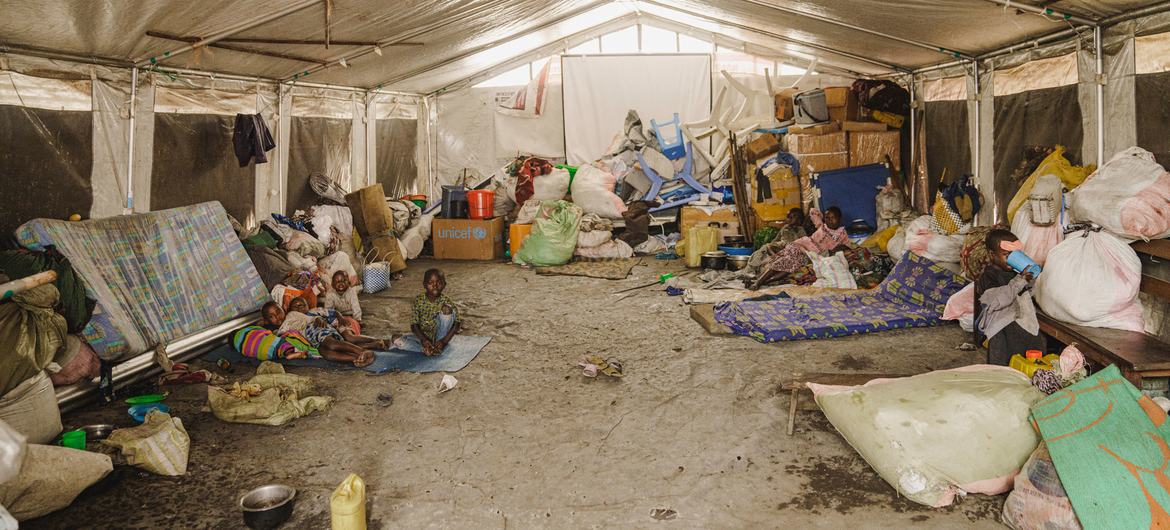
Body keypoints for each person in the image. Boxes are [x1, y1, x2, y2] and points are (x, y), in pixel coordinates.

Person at [975, 229, 1045, 366]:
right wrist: (1020, 280)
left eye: (1015, 255)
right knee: (1002, 364)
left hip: (1021, 322)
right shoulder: (989, 276)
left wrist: (1029, 280)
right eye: (1006, 255)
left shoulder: (1014, 273)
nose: (1011, 259)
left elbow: (1025, 293)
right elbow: (999, 299)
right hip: (1001, 327)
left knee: (1035, 351)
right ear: (992, 254)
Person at [751, 206, 853, 289]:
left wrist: (839, 248)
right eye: (827, 218)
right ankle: (759, 282)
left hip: (811, 254)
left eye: (833, 217)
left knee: (793, 264)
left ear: (839, 219)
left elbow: (848, 247)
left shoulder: (842, 234)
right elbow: (813, 211)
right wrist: (822, 216)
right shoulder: (821, 226)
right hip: (802, 245)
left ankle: (764, 281)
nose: (829, 220)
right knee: (788, 259)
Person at [262, 301, 374, 367]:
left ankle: (362, 352)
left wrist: (317, 319)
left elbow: (310, 318)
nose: (277, 317)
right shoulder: (277, 333)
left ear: (283, 309)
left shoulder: (291, 314)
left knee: (333, 345)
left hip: (313, 328)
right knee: (328, 354)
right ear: (267, 321)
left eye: (278, 312)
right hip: (310, 342)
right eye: (271, 316)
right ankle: (357, 358)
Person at [288, 296, 393, 351]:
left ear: (307, 306)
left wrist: (341, 318)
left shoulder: (315, 311)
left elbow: (334, 312)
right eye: (296, 306)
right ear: (291, 310)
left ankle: (378, 340)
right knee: (342, 345)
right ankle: (374, 345)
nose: (299, 308)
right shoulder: (296, 319)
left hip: (336, 324)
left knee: (350, 338)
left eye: (302, 305)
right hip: (327, 331)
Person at [411, 269, 462, 356]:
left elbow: (457, 323)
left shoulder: (446, 300)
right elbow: (414, 325)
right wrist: (424, 340)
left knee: (447, 309)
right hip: (425, 336)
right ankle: (429, 349)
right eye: (430, 283)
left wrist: (444, 341)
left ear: (444, 285)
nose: (434, 286)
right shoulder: (419, 300)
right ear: (424, 285)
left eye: (439, 283)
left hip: (441, 336)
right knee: (397, 340)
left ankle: (438, 346)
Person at [747, 208, 809, 275]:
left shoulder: (800, 230)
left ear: (799, 220)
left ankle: (759, 271)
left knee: (774, 259)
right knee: (760, 251)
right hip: (779, 248)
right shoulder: (785, 227)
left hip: (790, 251)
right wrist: (770, 246)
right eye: (788, 217)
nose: (788, 219)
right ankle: (751, 271)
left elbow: (803, 243)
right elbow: (776, 239)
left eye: (791, 217)